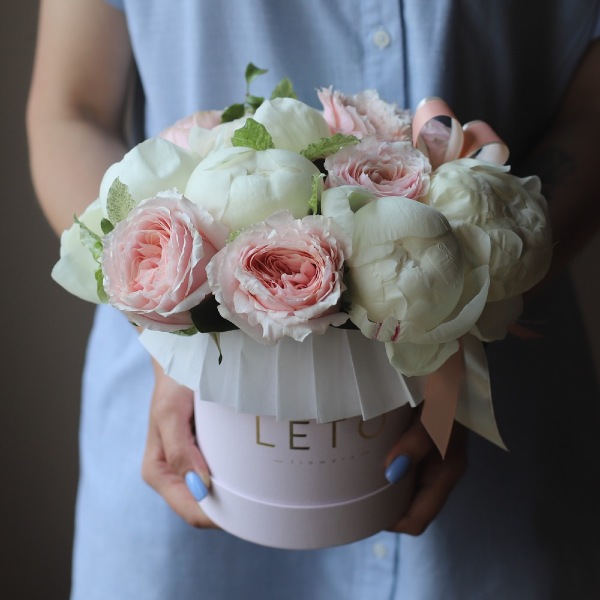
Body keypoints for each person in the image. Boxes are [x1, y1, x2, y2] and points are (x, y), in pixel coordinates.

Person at [26, 0, 600, 598]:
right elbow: (73, 110)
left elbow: (591, 108)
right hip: (181, 414)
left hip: (501, 434)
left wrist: (464, 296)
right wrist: (171, 329)